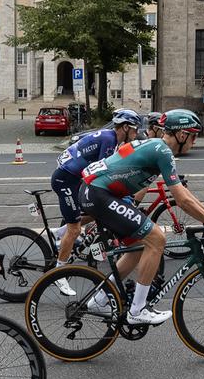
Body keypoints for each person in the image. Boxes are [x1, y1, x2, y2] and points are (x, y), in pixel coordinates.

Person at [79, 109, 204, 325]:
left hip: (97, 192)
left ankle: (99, 300)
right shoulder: (162, 151)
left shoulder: (155, 145)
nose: (194, 142)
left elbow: (184, 193)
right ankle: (138, 310)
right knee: (157, 239)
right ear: (181, 135)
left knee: (138, 245)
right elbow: (182, 201)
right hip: (99, 194)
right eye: (193, 136)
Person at [49, 109, 143, 290]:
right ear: (124, 127)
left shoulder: (111, 138)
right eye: (134, 128)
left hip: (73, 178)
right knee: (75, 229)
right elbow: (103, 174)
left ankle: (59, 233)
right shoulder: (109, 140)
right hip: (65, 180)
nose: (136, 133)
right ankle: (58, 273)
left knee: (97, 210)